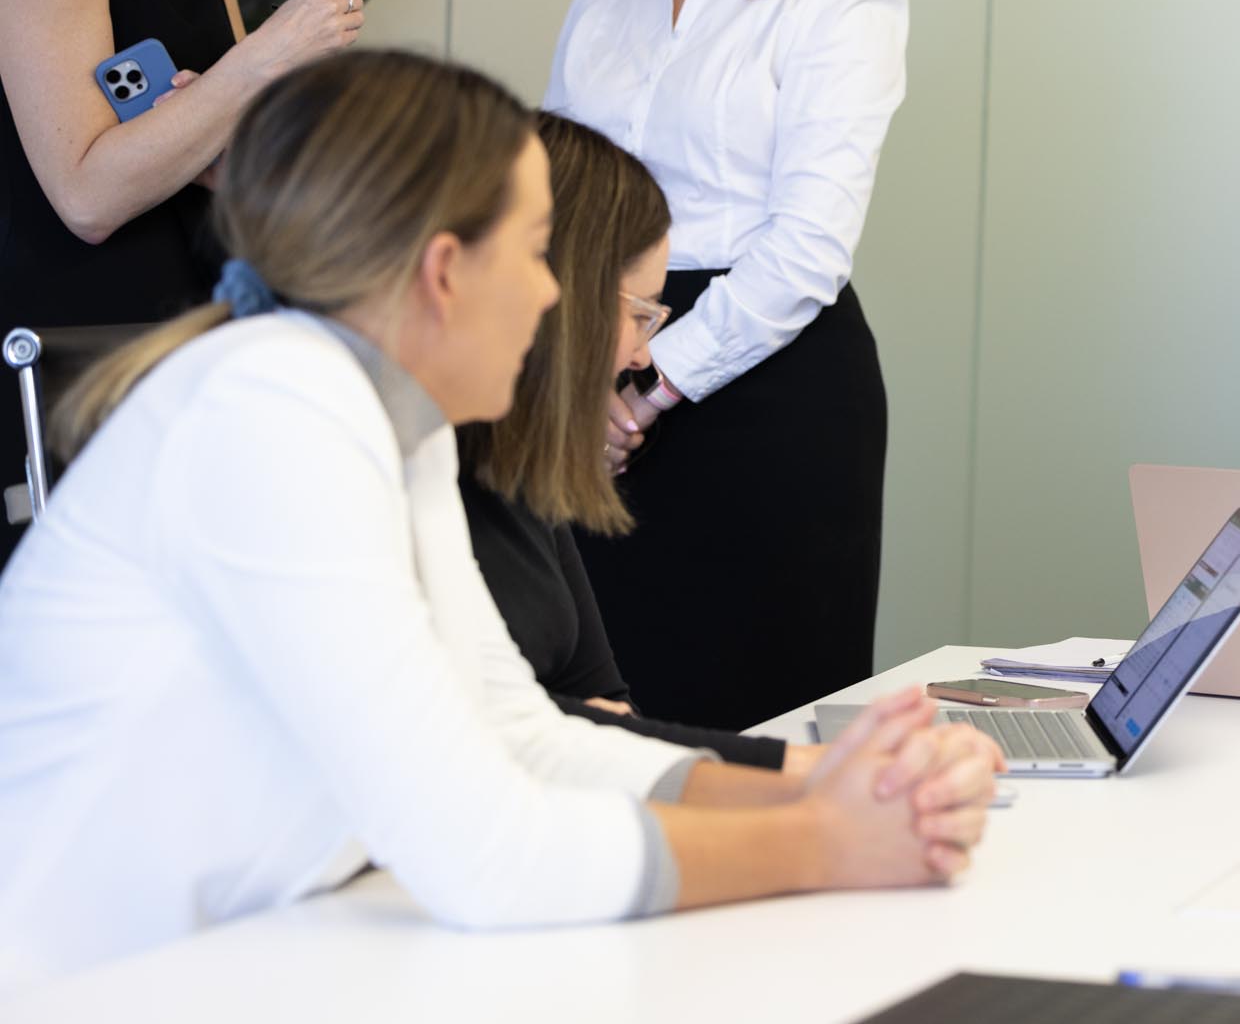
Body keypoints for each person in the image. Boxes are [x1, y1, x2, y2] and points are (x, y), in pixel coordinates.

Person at [0, 51, 995, 991]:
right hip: (93, 984)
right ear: (443, 270)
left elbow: (521, 735)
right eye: (532, 251)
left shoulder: (390, 417)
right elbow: (484, 853)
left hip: (234, 962)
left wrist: (819, 796)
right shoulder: (272, 409)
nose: (555, 291)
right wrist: (828, 840)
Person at [546, 0, 904, 729]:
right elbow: (561, 207)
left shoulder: (843, 0)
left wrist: (641, 390)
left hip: (768, 398)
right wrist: (583, 390)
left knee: (758, 720)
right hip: (603, 375)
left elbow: (805, 252)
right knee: (606, 713)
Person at [461, 114, 961, 777]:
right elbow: (525, 729)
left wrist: (824, 770)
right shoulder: (428, 470)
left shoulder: (525, 472)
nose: (644, 354)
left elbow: (608, 708)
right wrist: (815, 778)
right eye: (641, 314)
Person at [0, 0, 362, 560]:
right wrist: (263, 61)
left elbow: (250, 193)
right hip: (77, 379)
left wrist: (208, 137)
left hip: (188, 371)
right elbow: (85, 194)